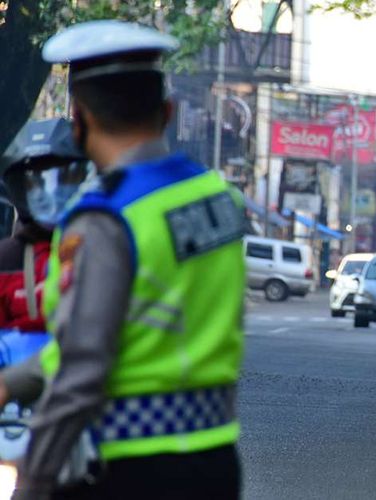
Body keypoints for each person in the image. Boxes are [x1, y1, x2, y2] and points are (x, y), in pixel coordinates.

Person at [11, 20, 246, 500]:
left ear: (78, 119)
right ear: (166, 111)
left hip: (128, 469)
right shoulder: (217, 198)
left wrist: (32, 482)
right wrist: (11, 384)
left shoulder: (104, 219)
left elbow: (81, 368)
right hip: (216, 460)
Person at [0, 119, 88, 334]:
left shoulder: (104, 240)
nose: (51, 191)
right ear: (21, 189)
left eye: (64, 177)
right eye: (35, 183)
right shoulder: (8, 256)